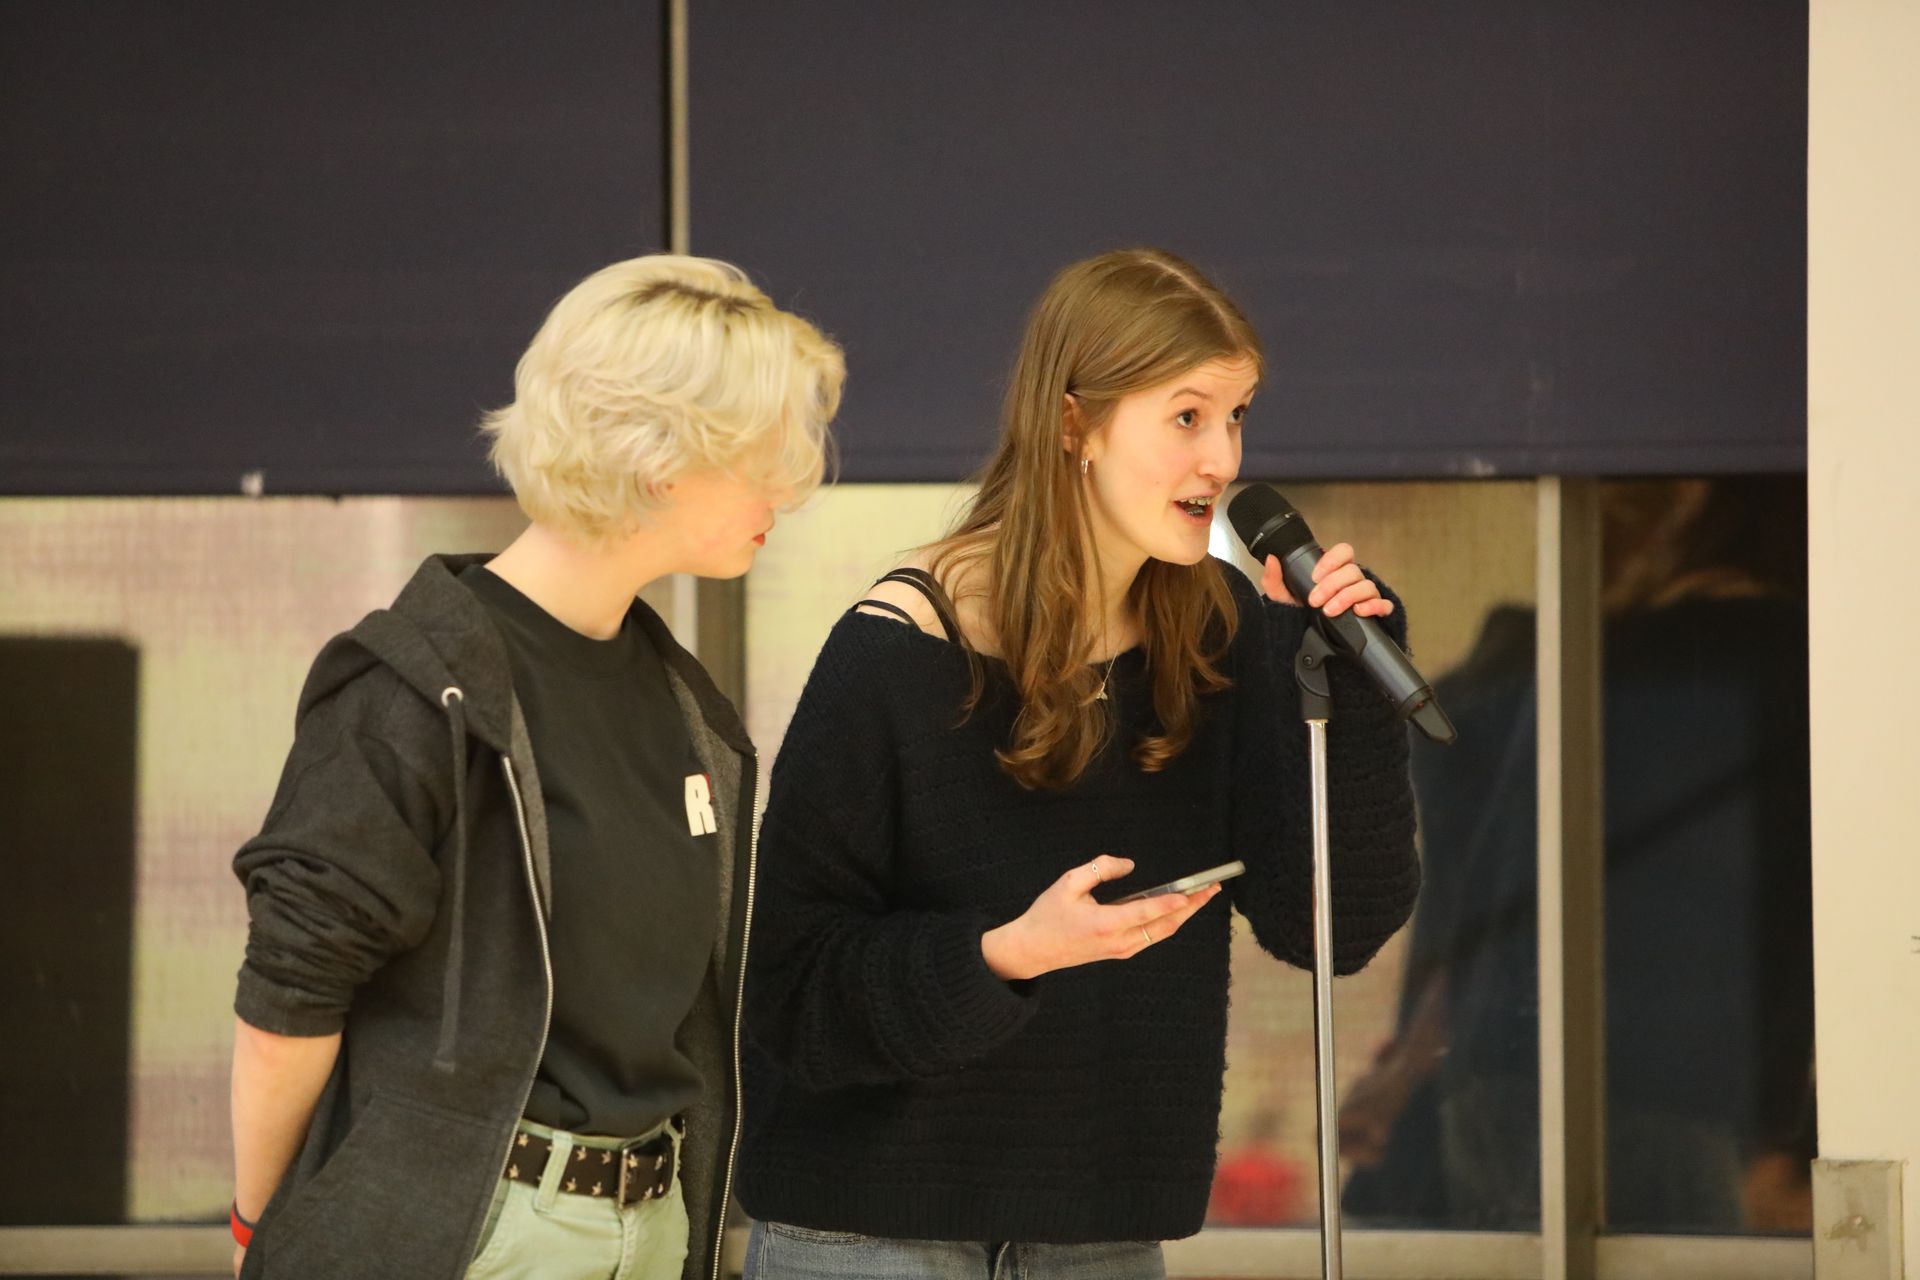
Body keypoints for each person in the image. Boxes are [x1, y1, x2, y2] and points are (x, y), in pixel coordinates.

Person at [736, 248, 1420, 1279]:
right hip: (874, 1233)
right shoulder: (898, 648)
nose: (1223, 458)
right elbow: (791, 994)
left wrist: (1348, 688)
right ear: (1073, 425)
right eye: (1186, 417)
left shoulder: (1225, 636)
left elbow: (1331, 929)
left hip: (1104, 1234)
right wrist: (1007, 954)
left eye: (1237, 416)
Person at [227, 255, 845, 1279]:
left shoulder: (685, 707)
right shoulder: (414, 688)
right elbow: (289, 999)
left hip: (655, 1224)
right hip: (470, 1231)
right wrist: (263, 1230)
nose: (788, 488)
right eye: (764, 457)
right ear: (661, 459)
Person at [1337, 476, 1814, 1232]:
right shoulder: (1765, 658)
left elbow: (1497, 890)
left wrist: (1414, 1062)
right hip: (1664, 1081)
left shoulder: (1571, 663)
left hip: (1536, 1068)